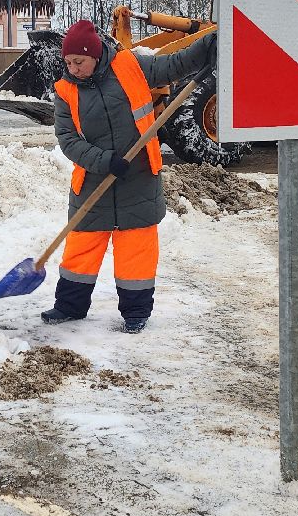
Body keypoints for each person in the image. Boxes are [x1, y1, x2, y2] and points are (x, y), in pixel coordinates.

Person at [43, 18, 217, 333]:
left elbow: (174, 65)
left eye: (79, 61)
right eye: (68, 63)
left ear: (94, 55)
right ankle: (69, 306)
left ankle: (136, 313)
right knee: (81, 247)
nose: (73, 69)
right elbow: (68, 140)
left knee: (136, 250)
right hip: (93, 180)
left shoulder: (130, 66)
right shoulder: (65, 92)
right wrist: (104, 161)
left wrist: (208, 43)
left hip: (138, 177)